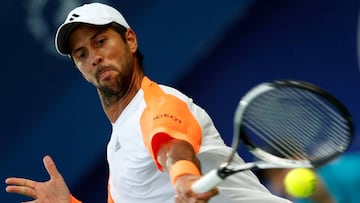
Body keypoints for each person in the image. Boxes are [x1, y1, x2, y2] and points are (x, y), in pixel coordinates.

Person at [5, 3, 292, 203]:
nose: (94, 57)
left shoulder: (157, 103)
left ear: (130, 39)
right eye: (81, 54)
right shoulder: (117, 147)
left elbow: (171, 144)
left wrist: (183, 177)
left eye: (101, 41)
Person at [257, 151, 360, 203]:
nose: (278, 181)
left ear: (299, 157)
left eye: (279, 170)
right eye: (271, 178)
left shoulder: (355, 170)